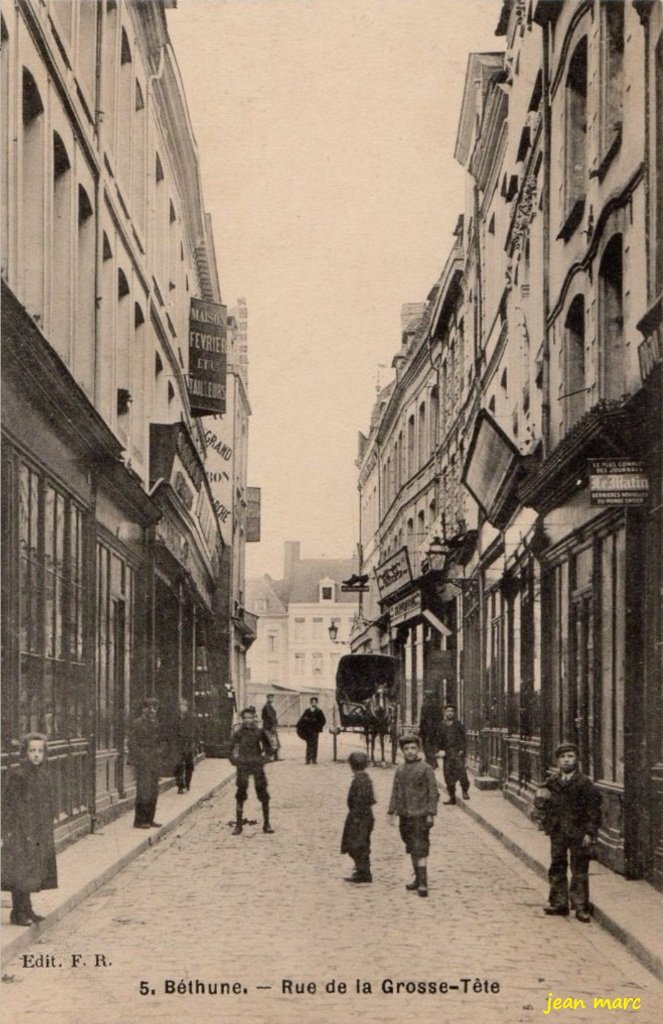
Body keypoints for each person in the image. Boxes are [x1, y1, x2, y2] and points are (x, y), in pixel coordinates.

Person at [535, 742, 601, 923]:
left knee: (579, 869)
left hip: (578, 832)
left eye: (570, 756)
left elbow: (593, 811)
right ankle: (558, 903)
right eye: (563, 757)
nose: (566, 760)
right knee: (557, 865)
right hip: (558, 831)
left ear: (577, 759)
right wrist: (541, 803)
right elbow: (541, 800)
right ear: (557, 761)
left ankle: (580, 906)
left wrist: (589, 833)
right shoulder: (552, 782)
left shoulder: (584, 783)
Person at [1, 733, 57, 926]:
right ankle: (18, 912)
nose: (36, 755)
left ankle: (27, 909)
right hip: (20, 830)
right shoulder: (18, 775)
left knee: (32, 870)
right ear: (24, 753)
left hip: (37, 830)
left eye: (40, 751)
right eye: (32, 751)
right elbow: (9, 805)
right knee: (20, 871)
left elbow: (47, 803)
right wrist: (8, 830)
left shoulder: (43, 776)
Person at [388, 734, 439, 897]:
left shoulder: (426, 769)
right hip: (405, 815)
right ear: (402, 751)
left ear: (419, 750)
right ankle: (417, 878)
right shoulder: (400, 769)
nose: (410, 752)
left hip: (421, 815)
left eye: (413, 748)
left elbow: (433, 793)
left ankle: (423, 883)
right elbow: (395, 791)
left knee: (421, 847)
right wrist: (392, 811)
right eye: (406, 749)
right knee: (410, 846)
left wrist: (431, 813)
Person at [230, 706, 274, 835]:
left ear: (254, 718)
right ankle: (238, 825)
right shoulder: (238, 733)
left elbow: (269, 749)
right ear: (242, 719)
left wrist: (264, 759)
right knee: (240, 793)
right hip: (243, 765)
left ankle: (267, 823)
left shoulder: (259, 732)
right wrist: (235, 761)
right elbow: (229, 749)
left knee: (263, 793)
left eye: (250, 717)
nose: (248, 720)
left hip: (256, 764)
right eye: (245, 718)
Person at [340, 751, 375, 884]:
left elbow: (361, 800)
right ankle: (362, 869)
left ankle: (363, 872)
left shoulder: (360, 780)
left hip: (359, 817)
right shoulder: (364, 778)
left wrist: (355, 816)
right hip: (362, 816)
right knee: (359, 843)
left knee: (357, 844)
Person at [128, 698, 163, 829]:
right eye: (149, 708)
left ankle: (150, 818)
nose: (152, 711)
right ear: (143, 709)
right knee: (143, 790)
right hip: (142, 762)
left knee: (153, 790)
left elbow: (162, 741)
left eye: (154, 708)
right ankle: (140, 820)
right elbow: (132, 743)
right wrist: (142, 755)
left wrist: (159, 752)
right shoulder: (137, 724)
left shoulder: (156, 725)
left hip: (154, 761)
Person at [438, 703, 470, 804]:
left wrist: (462, 750)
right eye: (448, 711)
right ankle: (452, 796)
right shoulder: (441, 725)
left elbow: (463, 739)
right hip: (447, 754)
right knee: (448, 776)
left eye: (452, 711)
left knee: (461, 773)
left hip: (457, 752)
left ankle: (465, 791)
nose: (450, 713)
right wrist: (440, 750)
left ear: (454, 713)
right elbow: (438, 739)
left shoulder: (458, 725)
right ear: (444, 712)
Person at [173, 698, 196, 793]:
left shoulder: (190, 718)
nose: (182, 707)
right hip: (178, 745)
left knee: (188, 765)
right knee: (178, 765)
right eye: (181, 705)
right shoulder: (175, 718)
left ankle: (187, 783)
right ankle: (180, 785)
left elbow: (194, 731)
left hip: (188, 744)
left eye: (185, 705)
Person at [296, 696, 326, 764]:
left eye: (315, 702)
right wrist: (303, 724)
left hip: (315, 731)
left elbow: (323, 720)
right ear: (310, 703)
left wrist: (318, 726)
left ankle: (314, 759)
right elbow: (301, 720)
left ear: (317, 703)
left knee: (315, 745)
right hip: (308, 731)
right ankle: (308, 760)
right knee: (309, 745)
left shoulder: (319, 711)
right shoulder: (307, 711)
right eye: (312, 702)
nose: (314, 703)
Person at [418, 690, 441, 769]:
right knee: (433, 746)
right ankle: (433, 762)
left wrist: (421, 730)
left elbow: (422, 719)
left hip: (426, 729)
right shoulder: (437, 706)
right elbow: (440, 718)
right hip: (435, 730)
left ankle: (431, 762)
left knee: (426, 746)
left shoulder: (424, 706)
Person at [261, 693, 280, 761]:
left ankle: (275, 757)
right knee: (271, 742)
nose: (271, 699)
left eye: (272, 698)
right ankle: (270, 757)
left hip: (269, 726)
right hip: (269, 727)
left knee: (273, 741)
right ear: (267, 698)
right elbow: (270, 717)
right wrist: (273, 725)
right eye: (270, 698)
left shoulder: (269, 706)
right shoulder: (267, 706)